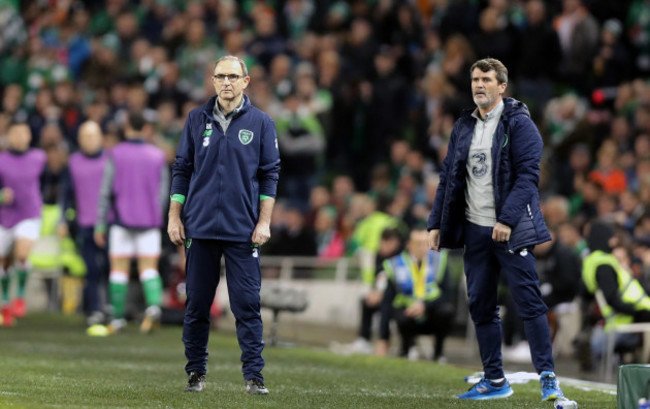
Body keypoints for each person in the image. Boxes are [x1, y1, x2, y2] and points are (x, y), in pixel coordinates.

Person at [427, 58, 569, 402]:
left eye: (487, 79)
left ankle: (549, 377)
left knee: (528, 302)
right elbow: (448, 178)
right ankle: (494, 379)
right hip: (474, 230)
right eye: (475, 79)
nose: (479, 84)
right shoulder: (463, 126)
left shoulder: (520, 125)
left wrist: (505, 219)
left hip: (511, 229)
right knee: (480, 305)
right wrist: (435, 223)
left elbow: (528, 179)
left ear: (502, 86)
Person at [168, 55, 280, 395]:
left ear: (246, 81)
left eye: (233, 76)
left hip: (244, 231)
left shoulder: (262, 123)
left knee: (247, 304)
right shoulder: (195, 119)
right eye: (220, 76)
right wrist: (174, 216)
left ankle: (254, 377)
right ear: (213, 81)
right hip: (199, 228)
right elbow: (182, 169)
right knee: (197, 305)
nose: (227, 81)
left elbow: (269, 175)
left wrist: (264, 223)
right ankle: (195, 374)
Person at [95, 111, 169, 334]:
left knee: (119, 270)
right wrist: (157, 216)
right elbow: (163, 193)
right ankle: (154, 307)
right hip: (149, 222)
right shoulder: (157, 156)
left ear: (127, 128)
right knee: (149, 269)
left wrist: (100, 223)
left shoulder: (115, 154)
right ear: (146, 129)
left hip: (121, 221)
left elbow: (106, 190)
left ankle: (117, 319)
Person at [375, 227, 453, 361]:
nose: (423, 247)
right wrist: (383, 337)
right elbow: (387, 301)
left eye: (426, 243)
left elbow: (447, 293)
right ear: (409, 244)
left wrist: (425, 306)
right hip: (407, 314)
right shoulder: (395, 264)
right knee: (400, 314)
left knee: (446, 310)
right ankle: (406, 350)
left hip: (431, 311)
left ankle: (438, 353)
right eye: (418, 243)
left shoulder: (439, 261)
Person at [64, 121, 110, 327]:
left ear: (101, 138)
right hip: (84, 223)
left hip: (109, 223)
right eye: (85, 136)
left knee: (110, 268)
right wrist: (62, 219)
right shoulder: (73, 162)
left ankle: (110, 307)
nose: (89, 140)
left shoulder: (111, 160)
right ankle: (94, 310)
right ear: (79, 139)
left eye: (93, 135)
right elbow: (66, 194)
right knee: (90, 268)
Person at [0, 123, 46, 326]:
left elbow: (50, 182)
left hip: (29, 213)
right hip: (5, 216)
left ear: (29, 136)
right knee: (3, 262)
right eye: (15, 133)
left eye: (23, 132)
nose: (19, 136)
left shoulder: (39, 158)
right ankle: (4, 303)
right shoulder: (1, 160)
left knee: (21, 254)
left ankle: (19, 297)